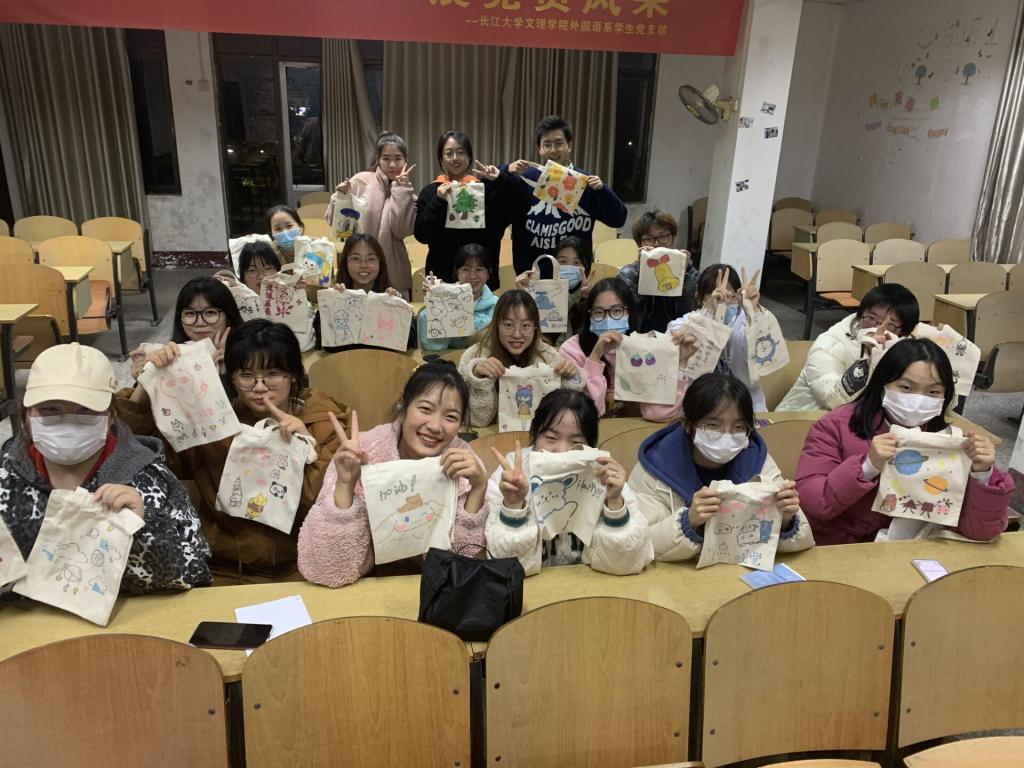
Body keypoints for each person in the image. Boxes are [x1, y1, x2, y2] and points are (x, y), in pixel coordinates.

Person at [119, 320, 347, 582]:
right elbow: (146, 457)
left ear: (294, 374)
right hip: (227, 566)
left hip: (303, 563)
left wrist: (307, 446)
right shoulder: (214, 423)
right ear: (232, 378)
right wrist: (148, 383)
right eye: (246, 376)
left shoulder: (323, 420)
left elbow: (331, 500)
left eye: (273, 374)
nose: (259, 387)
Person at [0, 343, 212, 594]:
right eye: (49, 409)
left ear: (111, 415)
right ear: (27, 415)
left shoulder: (150, 481)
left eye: (86, 410)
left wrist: (145, 526)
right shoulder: (6, 479)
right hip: (26, 617)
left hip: (123, 615)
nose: (68, 421)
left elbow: (196, 573)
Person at [796, 338, 1012, 544]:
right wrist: (867, 466)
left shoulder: (953, 442)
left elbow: (982, 532)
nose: (918, 400)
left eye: (933, 391)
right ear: (882, 385)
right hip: (844, 549)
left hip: (915, 550)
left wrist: (983, 475)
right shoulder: (836, 426)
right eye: (906, 388)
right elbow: (814, 504)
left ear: (946, 396)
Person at [298, 362, 488, 587]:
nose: (436, 426)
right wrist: (345, 485)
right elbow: (330, 570)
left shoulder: (465, 467)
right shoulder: (362, 452)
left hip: (436, 590)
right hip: (364, 587)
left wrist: (478, 490)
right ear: (403, 407)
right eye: (425, 409)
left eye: (451, 417)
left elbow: (463, 572)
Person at [629, 373, 814, 561]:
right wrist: (688, 521)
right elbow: (636, 545)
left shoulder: (757, 461)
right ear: (688, 425)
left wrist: (787, 520)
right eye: (713, 425)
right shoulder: (655, 468)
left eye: (738, 427)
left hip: (736, 570)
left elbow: (803, 539)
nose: (727, 435)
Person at [486, 389, 654, 575]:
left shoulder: (604, 474)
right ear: (534, 435)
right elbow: (503, 569)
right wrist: (513, 506)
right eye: (551, 438)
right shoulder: (510, 474)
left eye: (575, 442)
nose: (562, 451)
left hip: (589, 584)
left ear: (591, 445)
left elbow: (626, 564)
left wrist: (614, 503)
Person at [558, 277, 698, 421]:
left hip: (632, 431)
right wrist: (595, 357)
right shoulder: (572, 350)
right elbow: (584, 415)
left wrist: (680, 363)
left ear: (629, 312)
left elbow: (659, 414)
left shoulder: (646, 349)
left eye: (617, 311)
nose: (608, 319)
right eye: (598, 312)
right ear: (589, 316)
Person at [505, 115, 627, 273]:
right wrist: (505, 171)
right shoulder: (524, 180)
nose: (553, 150)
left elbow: (618, 219)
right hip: (532, 275)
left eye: (559, 143)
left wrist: (603, 190)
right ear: (539, 149)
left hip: (574, 275)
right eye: (547, 144)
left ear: (569, 146)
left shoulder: (586, 182)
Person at [777, 284, 920, 411]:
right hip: (805, 416)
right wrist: (869, 361)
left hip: (862, 419)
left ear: (903, 331)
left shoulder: (901, 343)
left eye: (890, 324)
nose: (878, 329)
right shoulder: (830, 344)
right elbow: (833, 400)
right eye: (871, 318)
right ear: (860, 314)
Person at [457, 290, 582, 427]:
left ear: (535, 327)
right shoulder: (474, 355)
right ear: (496, 325)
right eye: (508, 325)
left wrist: (569, 377)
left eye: (525, 325)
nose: (517, 334)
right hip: (491, 436)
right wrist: (479, 378)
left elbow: (562, 414)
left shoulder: (548, 356)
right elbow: (477, 421)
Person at [414, 130, 517, 289]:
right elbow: (422, 235)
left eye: (461, 152)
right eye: (449, 153)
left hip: (480, 279)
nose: (455, 158)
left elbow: (506, 218)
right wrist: (439, 201)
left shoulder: (485, 189)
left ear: (469, 157)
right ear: (441, 159)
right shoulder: (431, 192)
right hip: (443, 279)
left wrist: (499, 181)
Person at [126, 277, 244, 409]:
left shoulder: (250, 351)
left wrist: (233, 371)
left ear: (229, 315)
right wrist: (146, 378)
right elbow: (133, 417)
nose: (200, 323)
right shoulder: (169, 356)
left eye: (210, 312)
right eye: (190, 314)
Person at [328, 131, 417, 297]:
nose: (392, 165)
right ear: (378, 159)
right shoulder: (361, 181)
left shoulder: (408, 192)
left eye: (398, 158)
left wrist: (401, 190)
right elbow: (337, 223)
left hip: (393, 273)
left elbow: (401, 231)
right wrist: (340, 197)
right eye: (386, 158)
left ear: (406, 160)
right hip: (358, 269)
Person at [667, 264, 767, 411]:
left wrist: (754, 312)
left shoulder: (744, 325)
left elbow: (763, 354)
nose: (724, 303)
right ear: (699, 298)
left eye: (731, 297)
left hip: (745, 408)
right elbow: (677, 348)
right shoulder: (681, 325)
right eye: (718, 297)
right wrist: (709, 314)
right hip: (698, 408)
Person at [618, 210, 698, 333]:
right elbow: (626, 314)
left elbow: (694, 312)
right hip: (640, 337)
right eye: (648, 239)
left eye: (663, 236)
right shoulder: (627, 274)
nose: (656, 244)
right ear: (639, 244)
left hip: (678, 337)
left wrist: (683, 274)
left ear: (672, 238)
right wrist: (641, 273)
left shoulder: (690, 273)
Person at [417, 243, 498, 352]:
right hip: (447, 360)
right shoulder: (445, 300)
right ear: (457, 272)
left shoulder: (497, 305)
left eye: (479, 269)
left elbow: (493, 344)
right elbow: (434, 347)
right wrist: (437, 305)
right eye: (465, 269)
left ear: (488, 273)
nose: (472, 276)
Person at [236, 241, 316, 352]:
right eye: (252, 270)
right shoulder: (239, 306)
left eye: (267, 268)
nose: (261, 276)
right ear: (243, 277)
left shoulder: (292, 295)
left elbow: (303, 344)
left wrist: (297, 298)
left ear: (278, 271)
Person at [515, 234, 595, 340]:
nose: (569, 266)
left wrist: (586, 299)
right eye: (563, 261)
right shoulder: (542, 292)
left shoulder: (594, 295)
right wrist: (524, 296)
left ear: (586, 266)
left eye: (576, 262)